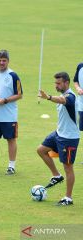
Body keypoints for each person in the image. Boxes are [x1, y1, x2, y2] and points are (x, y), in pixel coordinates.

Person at [37, 72, 79, 206]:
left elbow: (63, 100)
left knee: (68, 167)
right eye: (55, 83)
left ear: (66, 83)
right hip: (58, 134)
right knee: (41, 150)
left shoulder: (70, 97)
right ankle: (56, 176)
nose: (56, 85)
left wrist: (48, 97)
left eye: (58, 83)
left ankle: (68, 198)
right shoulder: (62, 94)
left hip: (69, 138)